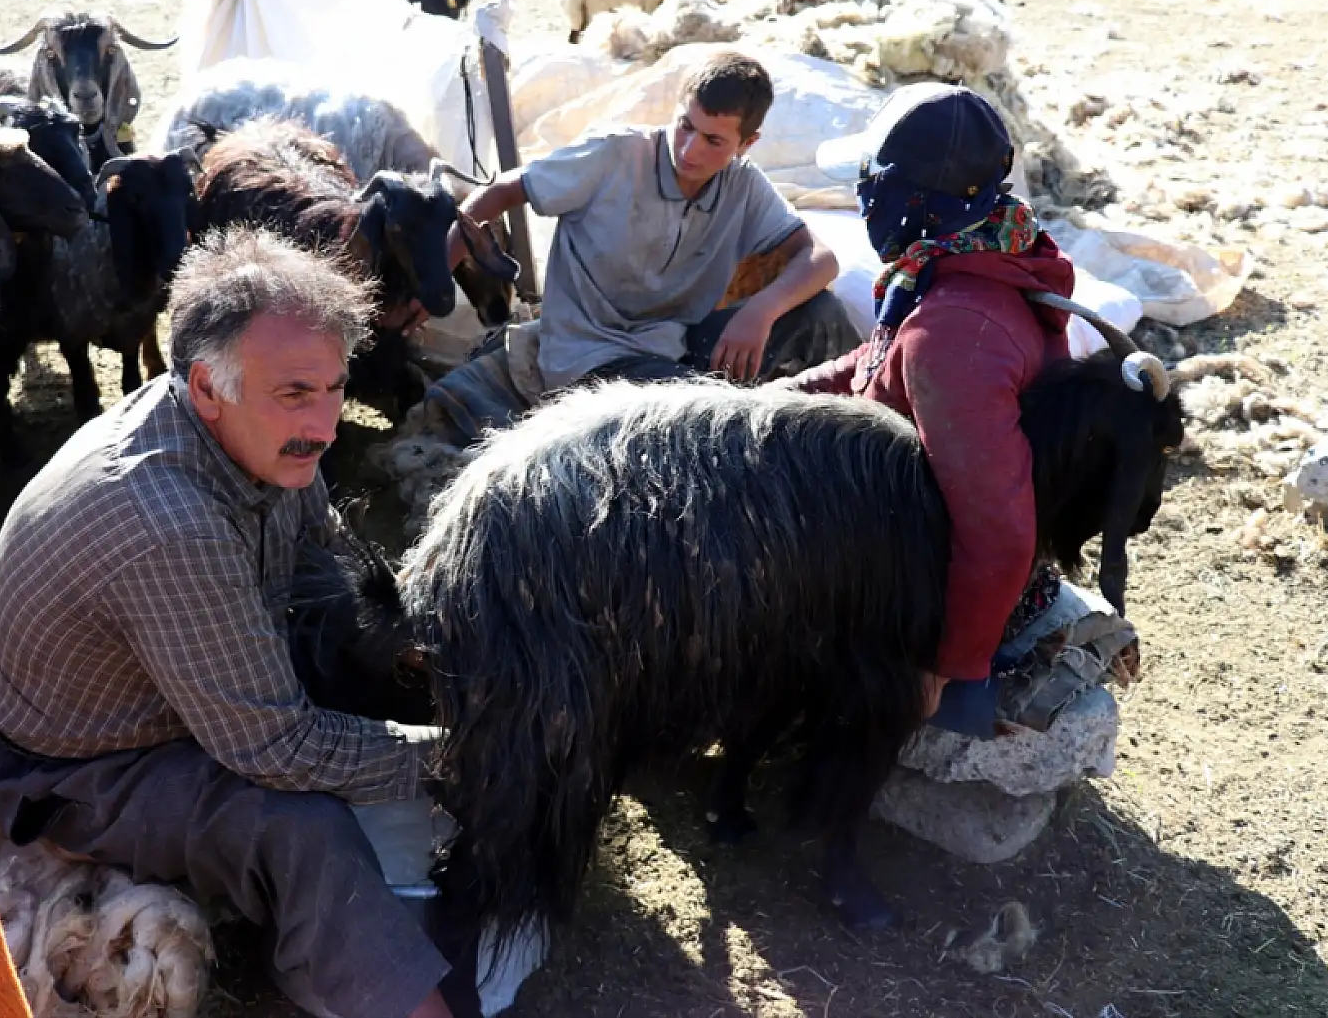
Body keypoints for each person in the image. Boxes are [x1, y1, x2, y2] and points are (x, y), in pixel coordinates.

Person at [0, 226, 455, 1018]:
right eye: (297, 392)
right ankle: (391, 997)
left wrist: (415, 660)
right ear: (204, 388)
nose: (327, 422)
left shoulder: (263, 437)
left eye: (334, 387)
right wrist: (461, 754)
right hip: (79, 766)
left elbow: (319, 558)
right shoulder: (170, 522)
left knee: (365, 678)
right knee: (300, 822)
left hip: (175, 691)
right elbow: (274, 746)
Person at [775, 82, 1141, 735]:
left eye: (872, 186)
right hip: (927, 518)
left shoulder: (955, 331)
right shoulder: (977, 254)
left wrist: (947, 668)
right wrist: (773, 405)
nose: (863, 202)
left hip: (921, 566)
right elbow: (875, 364)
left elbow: (997, 532)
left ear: (912, 201)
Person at [445, 50, 855, 389]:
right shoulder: (615, 154)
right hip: (594, 354)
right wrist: (435, 273)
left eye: (713, 141)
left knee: (819, 315)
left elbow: (819, 257)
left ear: (746, 144)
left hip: (675, 344)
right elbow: (502, 191)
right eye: (685, 126)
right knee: (707, 416)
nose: (690, 150)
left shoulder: (743, 185)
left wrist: (760, 310)